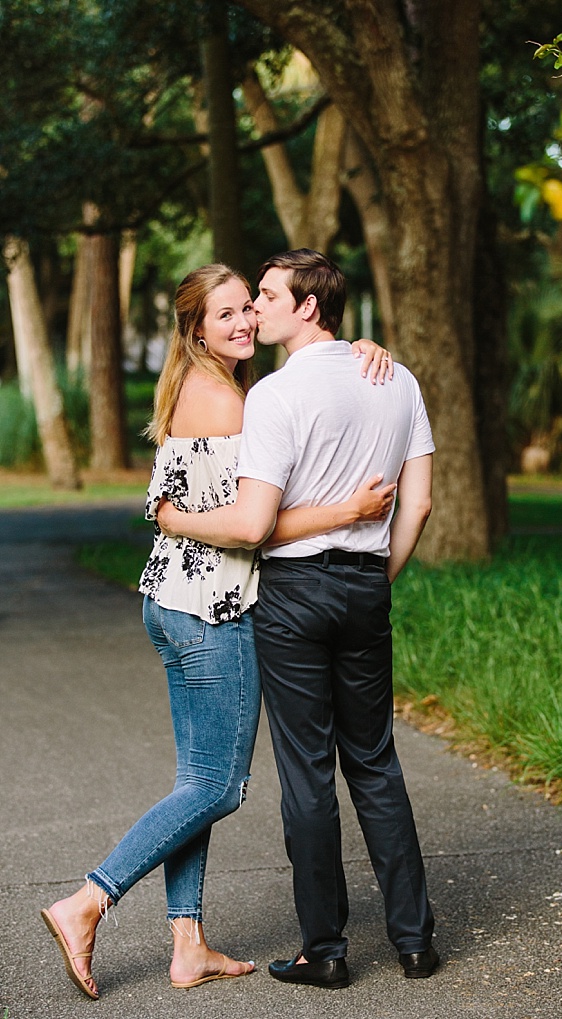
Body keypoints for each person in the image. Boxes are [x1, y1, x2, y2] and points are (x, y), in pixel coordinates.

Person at [40, 263, 395, 1001]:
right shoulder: (228, 401)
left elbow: (181, 505)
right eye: (225, 313)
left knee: (193, 779)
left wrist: (360, 347)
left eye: (248, 308)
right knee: (219, 785)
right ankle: (87, 901)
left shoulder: (200, 385)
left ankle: (188, 944)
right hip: (212, 609)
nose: (242, 321)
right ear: (196, 327)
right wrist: (346, 512)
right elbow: (250, 526)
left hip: (170, 598)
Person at [157, 249, 438, 990]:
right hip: (366, 587)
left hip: (292, 593)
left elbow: (253, 523)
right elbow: (420, 503)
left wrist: (175, 517)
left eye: (267, 297)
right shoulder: (397, 378)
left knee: (308, 772)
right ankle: (415, 941)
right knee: (374, 760)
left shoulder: (277, 396)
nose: (254, 310)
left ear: (307, 306)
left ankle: (326, 949)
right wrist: (374, 574)